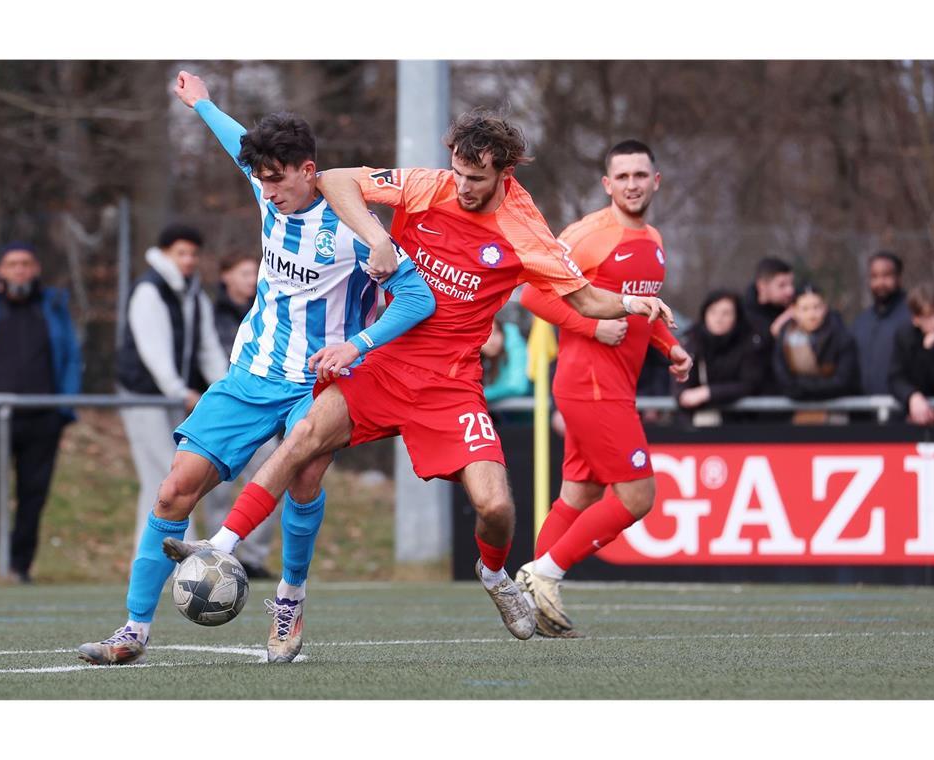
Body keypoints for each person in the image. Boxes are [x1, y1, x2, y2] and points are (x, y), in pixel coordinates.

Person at [180, 110, 677, 661]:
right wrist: (378, 239)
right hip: (385, 361)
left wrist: (632, 303)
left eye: (476, 179)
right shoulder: (427, 184)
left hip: (451, 383)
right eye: (458, 173)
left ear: (505, 173)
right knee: (302, 446)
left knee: (495, 507)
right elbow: (337, 180)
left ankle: (493, 574)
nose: (462, 187)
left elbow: (582, 299)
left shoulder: (524, 228)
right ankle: (224, 550)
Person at [76, 71, 435, 666]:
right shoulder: (265, 181)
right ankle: (133, 631)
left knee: (303, 481)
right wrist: (204, 104)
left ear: (308, 170)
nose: (267, 192)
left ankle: (289, 600)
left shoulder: (359, 229)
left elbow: (420, 300)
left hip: (319, 383)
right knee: (173, 491)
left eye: (277, 181)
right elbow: (236, 140)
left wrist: (359, 344)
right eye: (260, 179)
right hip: (250, 375)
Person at [514, 140, 692, 637]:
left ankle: (530, 603)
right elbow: (532, 293)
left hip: (613, 385)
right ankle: (542, 575)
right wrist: (593, 329)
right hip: (589, 383)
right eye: (623, 176)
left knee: (581, 491)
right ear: (606, 184)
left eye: (641, 175)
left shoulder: (653, 237)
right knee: (638, 496)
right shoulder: (589, 234)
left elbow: (641, 306)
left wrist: (668, 347)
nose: (632, 184)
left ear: (656, 181)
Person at [0, 242, 83, 585]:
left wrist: (63, 407)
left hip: (43, 418)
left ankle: (20, 567)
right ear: (0, 269)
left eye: (25, 263)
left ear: (36, 268)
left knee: (33, 495)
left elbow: (70, 355)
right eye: (12, 264)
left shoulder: (52, 306)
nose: (19, 270)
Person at [116, 223, 227, 543]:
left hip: (176, 399)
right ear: (165, 254)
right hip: (144, 396)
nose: (188, 260)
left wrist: (224, 389)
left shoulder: (192, 293)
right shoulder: (150, 290)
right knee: (165, 478)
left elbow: (208, 349)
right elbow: (154, 349)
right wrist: (177, 389)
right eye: (181, 253)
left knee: (171, 478)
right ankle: (169, 557)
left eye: (193, 253)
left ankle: (158, 556)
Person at [201, 251, 278, 578]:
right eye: (244, 272)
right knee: (215, 487)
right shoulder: (211, 313)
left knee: (272, 476)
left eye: (254, 273)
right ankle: (217, 555)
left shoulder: (269, 311)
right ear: (225, 276)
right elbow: (209, 360)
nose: (251, 280)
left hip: (261, 409)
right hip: (225, 411)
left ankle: (253, 558)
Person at [675, 289, 764, 425]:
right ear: (705, 314)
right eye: (713, 312)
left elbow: (750, 384)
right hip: (696, 425)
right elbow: (681, 387)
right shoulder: (691, 341)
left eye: (726, 313)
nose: (718, 318)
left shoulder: (750, 342)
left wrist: (708, 393)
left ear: (737, 316)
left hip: (740, 424)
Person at [773, 282, 860, 416]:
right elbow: (784, 381)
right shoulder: (785, 338)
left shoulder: (842, 336)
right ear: (794, 311)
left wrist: (802, 386)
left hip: (836, 414)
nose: (812, 314)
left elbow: (843, 380)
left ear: (824, 308)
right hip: (793, 415)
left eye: (816, 307)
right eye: (805, 309)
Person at [851, 251, 911, 396]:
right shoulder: (861, 322)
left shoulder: (914, 318)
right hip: (864, 411)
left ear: (899, 278)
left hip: (903, 412)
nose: (880, 283)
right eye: (874, 276)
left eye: (886, 276)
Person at [888, 283, 934, 426]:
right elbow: (896, 377)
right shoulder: (905, 337)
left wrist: (931, 352)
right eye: (929, 317)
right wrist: (912, 396)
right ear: (916, 319)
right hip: (912, 420)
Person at [743, 256, 795, 394]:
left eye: (791, 284)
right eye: (782, 285)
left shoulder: (792, 308)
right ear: (762, 286)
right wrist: (777, 329)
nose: (790, 291)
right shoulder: (740, 314)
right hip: (749, 403)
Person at [481, 315, 530, 404]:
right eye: (486, 335)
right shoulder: (477, 356)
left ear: (503, 332)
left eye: (495, 333)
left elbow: (517, 386)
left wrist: (479, 394)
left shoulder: (514, 346)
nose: (491, 341)